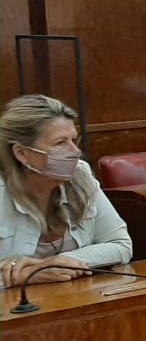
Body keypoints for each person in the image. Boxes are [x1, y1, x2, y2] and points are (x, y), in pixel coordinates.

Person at [0, 94, 132, 288]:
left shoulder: (81, 173)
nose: (75, 151)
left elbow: (121, 245)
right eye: (60, 143)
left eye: (73, 141)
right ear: (21, 153)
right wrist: (26, 275)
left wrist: (55, 264)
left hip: (78, 296)